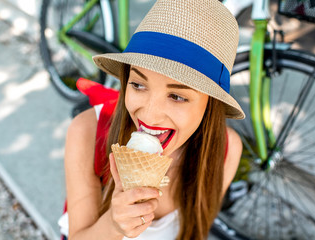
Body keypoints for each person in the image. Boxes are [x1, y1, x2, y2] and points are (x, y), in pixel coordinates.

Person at [64, 0, 245, 239]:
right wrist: (113, 225)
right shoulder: (87, 132)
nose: (148, 115)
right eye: (138, 84)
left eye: (177, 96)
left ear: (210, 104)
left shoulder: (225, 151)